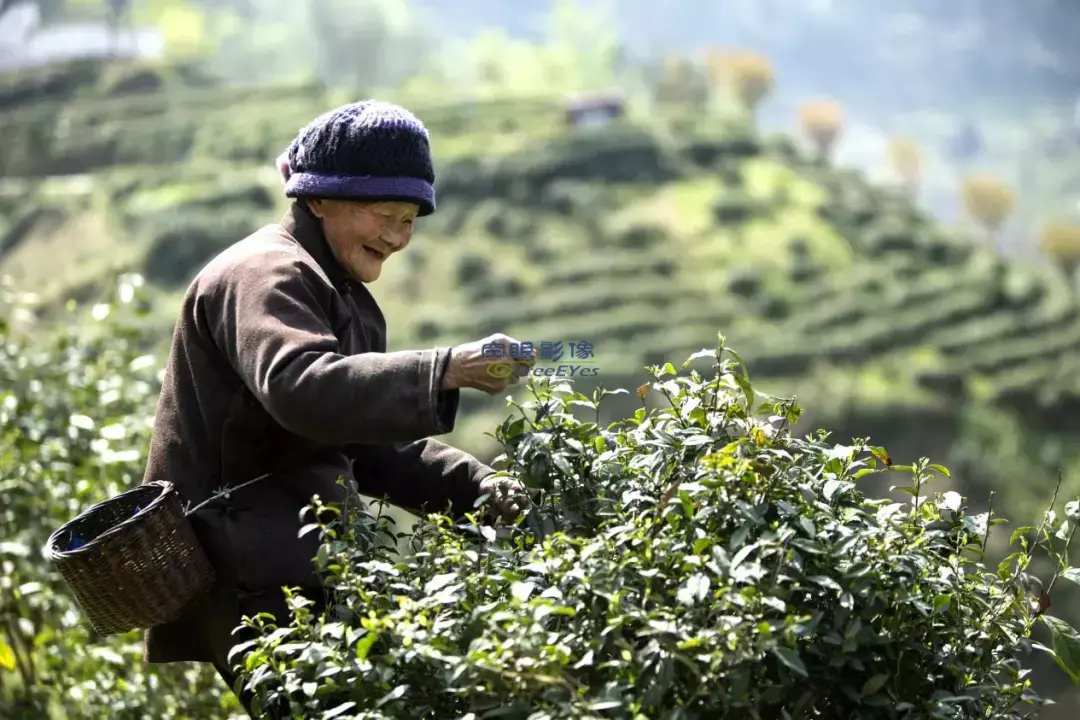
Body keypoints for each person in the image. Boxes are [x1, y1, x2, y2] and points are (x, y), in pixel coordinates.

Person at [140, 99, 533, 718]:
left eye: (409, 221)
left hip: (299, 564)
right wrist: (446, 367)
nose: (398, 237)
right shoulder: (266, 274)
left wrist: (483, 487)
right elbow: (304, 388)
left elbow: (365, 441)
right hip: (252, 575)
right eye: (385, 214)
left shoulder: (333, 288)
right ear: (318, 199)